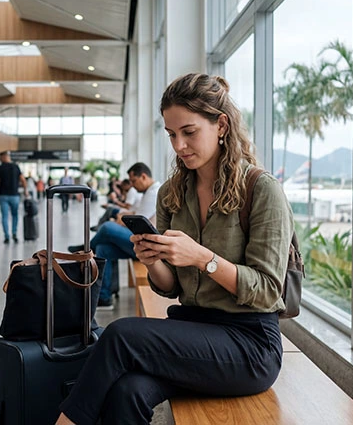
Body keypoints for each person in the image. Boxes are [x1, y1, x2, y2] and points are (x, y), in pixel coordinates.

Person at [56, 73, 294, 425]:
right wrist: (152, 260)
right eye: (171, 134)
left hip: (250, 344)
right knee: (129, 392)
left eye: (189, 132)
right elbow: (171, 288)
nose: (179, 145)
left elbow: (269, 292)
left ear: (221, 126)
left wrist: (203, 258)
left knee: (121, 334)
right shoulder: (172, 193)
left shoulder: (261, 190)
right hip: (194, 332)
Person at [67, 162, 161, 309]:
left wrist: (121, 220)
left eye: (134, 181)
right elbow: (138, 216)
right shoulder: (149, 192)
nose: (132, 186)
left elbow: (140, 220)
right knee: (103, 249)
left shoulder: (154, 192)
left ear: (143, 177)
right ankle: (104, 297)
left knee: (107, 227)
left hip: (146, 246)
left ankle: (85, 250)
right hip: (140, 241)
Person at [0, 151, 28, 244]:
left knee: (4, 216)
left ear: (4, 157)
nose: (0, 160)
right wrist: (25, 191)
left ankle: (6, 236)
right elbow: (23, 180)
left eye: (0, 158)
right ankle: (14, 233)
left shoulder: (0, 168)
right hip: (14, 195)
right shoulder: (16, 167)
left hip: (3, 195)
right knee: (15, 215)